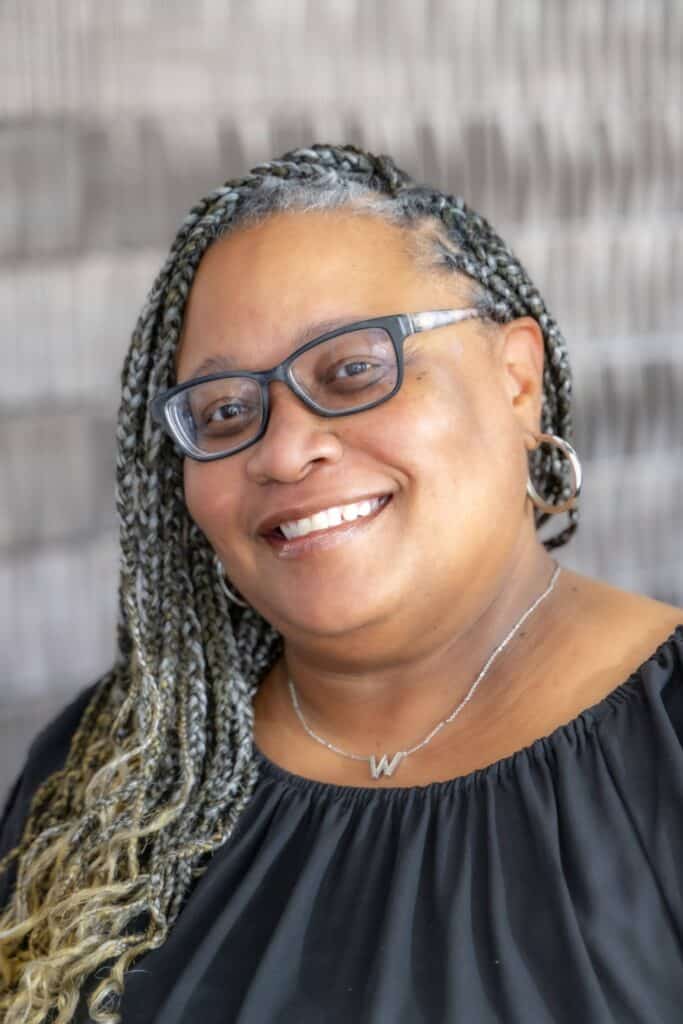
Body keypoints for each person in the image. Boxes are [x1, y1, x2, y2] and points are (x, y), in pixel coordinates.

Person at [1, 143, 681, 1024]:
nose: (283, 451)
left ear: (517, 381)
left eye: (353, 370)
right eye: (226, 411)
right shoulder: (113, 774)